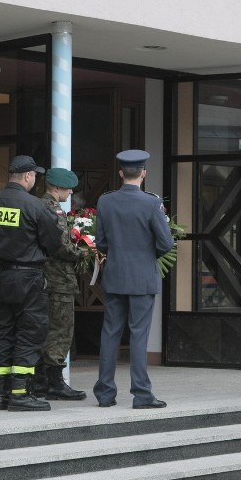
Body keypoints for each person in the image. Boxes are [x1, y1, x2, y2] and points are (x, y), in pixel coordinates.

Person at [0, 155, 64, 412]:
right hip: (28, 277)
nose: (35, 179)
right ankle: (21, 393)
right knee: (30, 332)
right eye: (35, 175)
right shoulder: (34, 206)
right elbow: (54, 243)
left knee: (3, 331)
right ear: (27, 176)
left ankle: (2, 394)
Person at [93, 149, 174, 409]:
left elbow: (101, 242)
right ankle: (141, 394)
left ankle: (105, 393)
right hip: (142, 278)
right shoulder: (151, 203)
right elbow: (165, 243)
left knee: (110, 334)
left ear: (120, 173)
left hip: (115, 276)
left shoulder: (105, 201)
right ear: (143, 173)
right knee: (139, 335)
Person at [35, 167, 87, 401]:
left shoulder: (37, 205)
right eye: (67, 188)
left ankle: (40, 382)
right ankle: (54, 383)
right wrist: (84, 253)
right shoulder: (52, 210)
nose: (70, 192)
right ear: (56, 188)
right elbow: (61, 247)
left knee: (47, 329)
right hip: (59, 279)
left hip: (45, 278)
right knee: (61, 330)